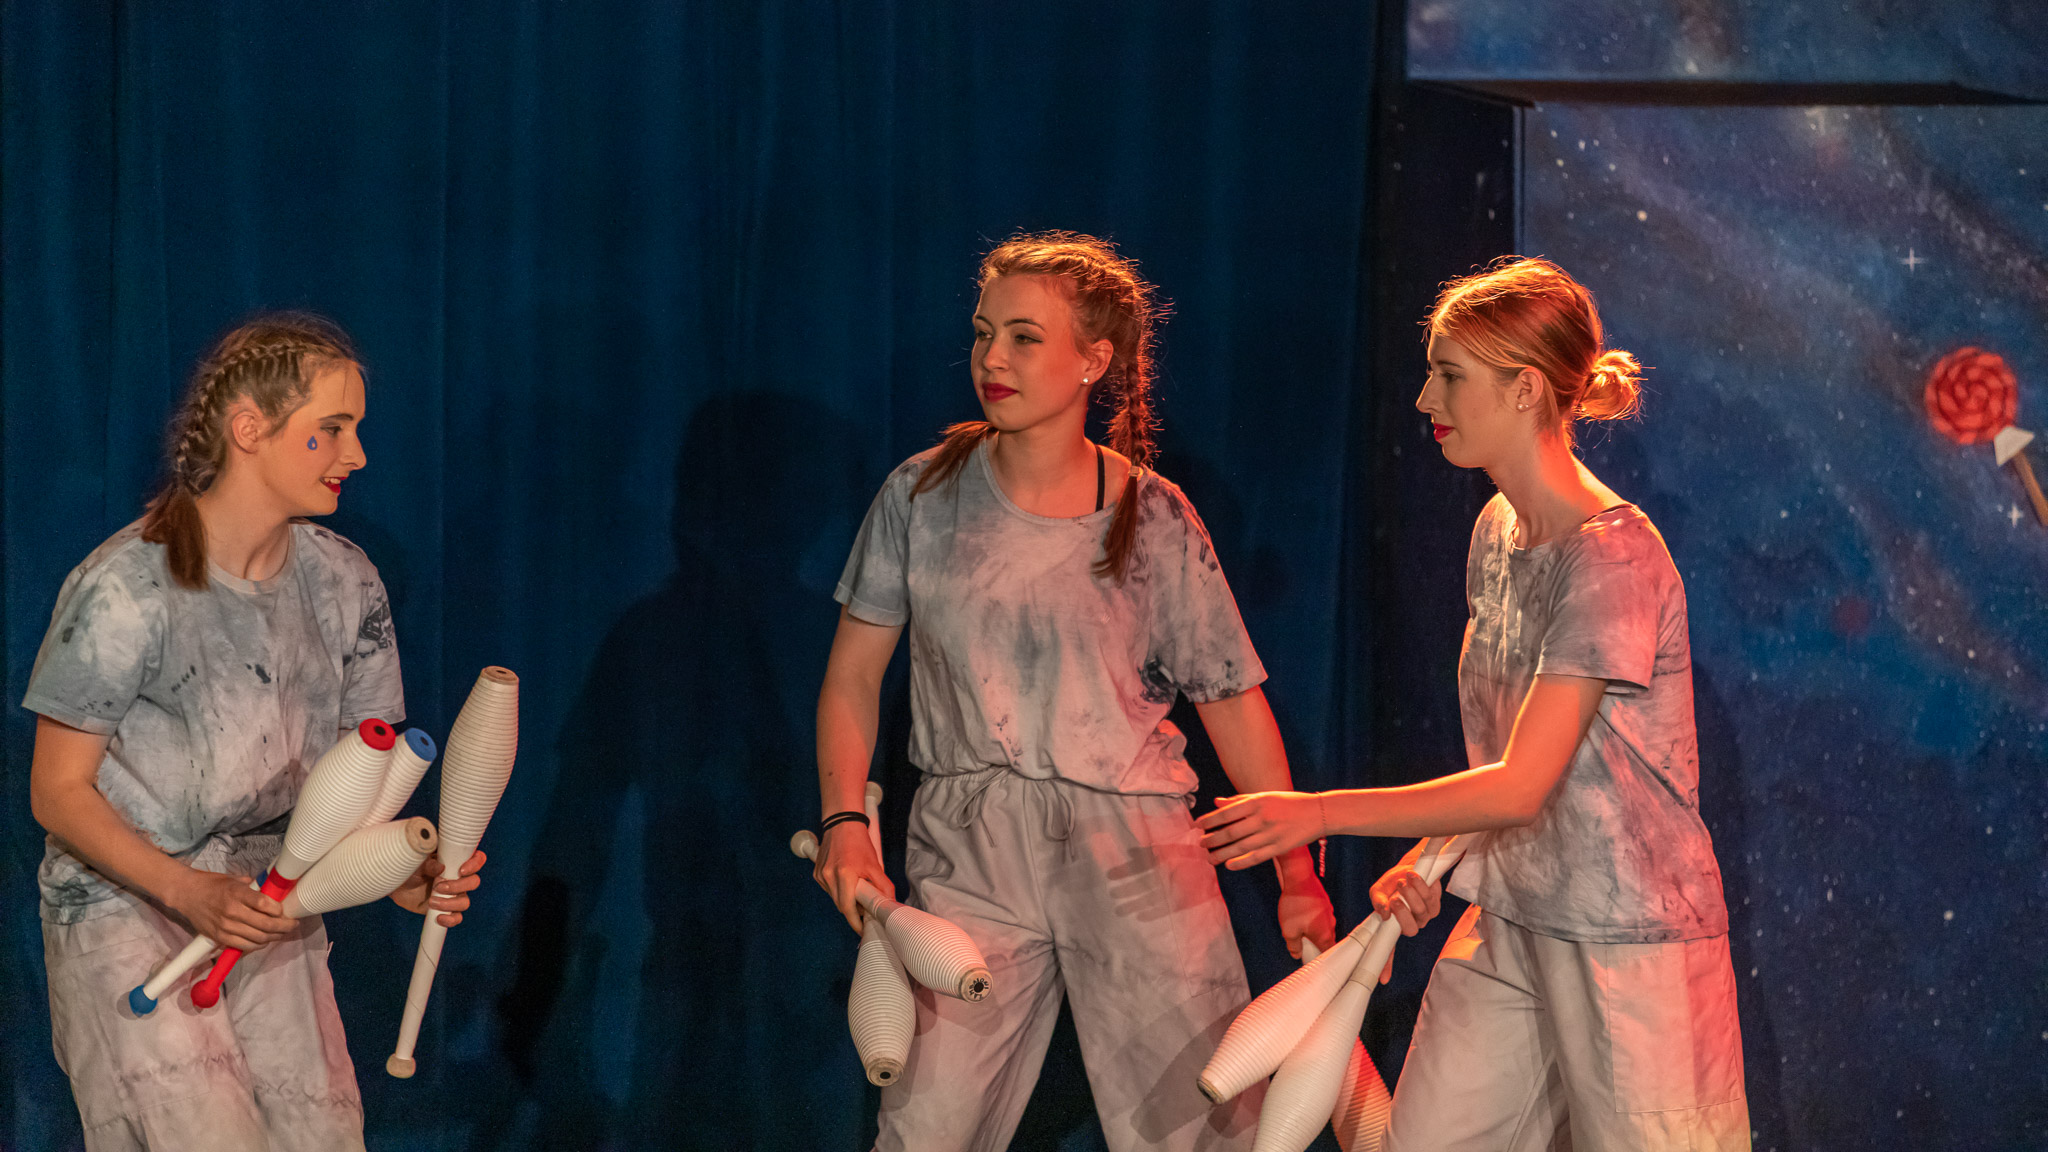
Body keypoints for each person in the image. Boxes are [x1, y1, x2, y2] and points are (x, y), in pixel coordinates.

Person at [1197, 258, 1749, 1150]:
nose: (1425, 398)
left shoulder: (1612, 559)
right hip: (1513, 916)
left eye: (1449, 375)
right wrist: (1434, 858)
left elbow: (1522, 785)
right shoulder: (1496, 530)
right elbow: (1509, 762)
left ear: (1525, 389)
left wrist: (1318, 812)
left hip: (1628, 945)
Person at [811, 232, 1336, 1152]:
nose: (993, 359)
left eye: (1024, 337)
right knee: (926, 1125)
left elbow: (1231, 700)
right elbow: (853, 675)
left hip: (1133, 849)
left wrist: (1298, 872)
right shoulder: (919, 497)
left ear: (1094, 360)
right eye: (984, 333)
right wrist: (845, 822)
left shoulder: (1153, 514)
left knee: (1196, 1125)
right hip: (970, 847)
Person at [25, 314, 484, 1151]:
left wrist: (398, 869)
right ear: (249, 429)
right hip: (129, 906)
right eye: (330, 430)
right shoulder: (126, 587)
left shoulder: (347, 582)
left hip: (276, 898)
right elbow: (57, 792)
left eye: (355, 430)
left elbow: (358, 785)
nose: (356, 455)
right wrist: (186, 889)